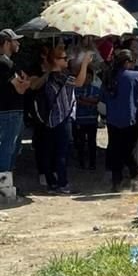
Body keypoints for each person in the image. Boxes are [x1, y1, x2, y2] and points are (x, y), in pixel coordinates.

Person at [43, 46, 92, 193]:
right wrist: (84, 65)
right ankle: (62, 184)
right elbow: (79, 82)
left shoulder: (49, 76)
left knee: (52, 152)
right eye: (64, 58)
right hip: (62, 119)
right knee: (62, 153)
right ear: (56, 61)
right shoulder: (61, 77)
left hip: (51, 119)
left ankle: (52, 182)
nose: (67, 60)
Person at [103, 50, 138, 192]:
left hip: (112, 119)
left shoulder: (109, 76)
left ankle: (116, 181)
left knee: (115, 149)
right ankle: (136, 181)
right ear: (127, 62)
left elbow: (104, 98)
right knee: (133, 151)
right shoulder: (136, 76)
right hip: (131, 118)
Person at [0, 29, 31, 173]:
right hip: (9, 111)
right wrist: (26, 83)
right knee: (8, 147)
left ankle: (7, 182)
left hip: (11, 110)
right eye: (15, 40)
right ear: (6, 43)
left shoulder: (10, 63)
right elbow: (20, 88)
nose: (18, 43)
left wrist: (23, 81)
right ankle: (4, 185)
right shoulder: (4, 63)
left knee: (11, 147)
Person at [73, 71, 100, 170]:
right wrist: (89, 101)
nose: (86, 80)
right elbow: (76, 101)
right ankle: (81, 163)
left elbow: (96, 100)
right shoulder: (76, 89)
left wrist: (83, 99)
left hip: (92, 120)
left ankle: (92, 163)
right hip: (80, 119)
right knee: (81, 142)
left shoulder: (96, 89)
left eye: (89, 78)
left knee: (92, 142)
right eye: (85, 77)